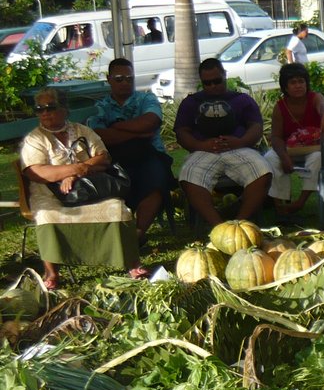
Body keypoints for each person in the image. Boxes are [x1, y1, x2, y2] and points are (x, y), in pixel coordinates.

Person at [20, 87, 146, 290]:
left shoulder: (82, 131)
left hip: (88, 187)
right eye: (39, 109)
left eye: (50, 107)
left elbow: (103, 159)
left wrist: (77, 172)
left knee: (117, 208)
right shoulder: (35, 139)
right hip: (48, 191)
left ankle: (132, 264)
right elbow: (38, 172)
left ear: (64, 109)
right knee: (47, 215)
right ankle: (51, 272)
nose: (44, 113)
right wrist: (77, 167)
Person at [174, 58, 272, 228]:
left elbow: (256, 127)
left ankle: (239, 224)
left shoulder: (242, 100)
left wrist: (241, 141)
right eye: (207, 83)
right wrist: (200, 145)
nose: (212, 86)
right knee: (188, 175)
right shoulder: (191, 103)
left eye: (216, 81)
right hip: (203, 151)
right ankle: (219, 227)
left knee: (263, 171)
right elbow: (182, 132)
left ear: (225, 76)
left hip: (239, 148)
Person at [87, 57, 174, 244]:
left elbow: (151, 122)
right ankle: (119, 232)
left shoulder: (146, 98)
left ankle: (138, 234)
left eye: (129, 78)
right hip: (115, 157)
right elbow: (99, 136)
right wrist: (137, 132)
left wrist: (116, 128)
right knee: (110, 184)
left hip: (150, 153)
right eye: (119, 79)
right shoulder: (100, 107)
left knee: (157, 183)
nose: (125, 83)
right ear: (109, 79)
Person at [262, 63, 324, 220]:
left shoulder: (315, 98)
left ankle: (300, 203)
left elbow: (323, 107)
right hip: (290, 149)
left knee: (316, 158)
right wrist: (284, 157)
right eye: (293, 83)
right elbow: (276, 137)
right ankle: (280, 206)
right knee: (270, 158)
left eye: (301, 81)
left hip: (315, 149)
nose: (298, 86)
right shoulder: (280, 107)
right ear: (285, 87)